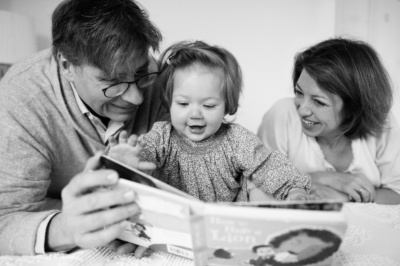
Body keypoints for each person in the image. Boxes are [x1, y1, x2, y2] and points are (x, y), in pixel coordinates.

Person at [0, 0, 168, 256]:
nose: (137, 98)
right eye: (113, 81)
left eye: (140, 72)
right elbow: (5, 219)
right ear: (67, 66)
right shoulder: (21, 101)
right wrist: (67, 229)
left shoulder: (161, 81)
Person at [109, 40, 312, 203]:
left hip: (225, 223)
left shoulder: (236, 139)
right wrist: (127, 162)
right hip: (177, 220)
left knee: (257, 186)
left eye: (208, 106)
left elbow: (266, 165)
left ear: (227, 105)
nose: (195, 114)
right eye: (183, 103)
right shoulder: (162, 136)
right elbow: (146, 153)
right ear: (168, 103)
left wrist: (293, 189)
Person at [257, 38, 400, 204]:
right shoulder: (282, 115)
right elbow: (259, 186)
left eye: (318, 102)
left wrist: (343, 199)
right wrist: (325, 178)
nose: (302, 110)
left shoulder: (384, 125)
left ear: (353, 107)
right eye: (299, 92)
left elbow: (396, 194)